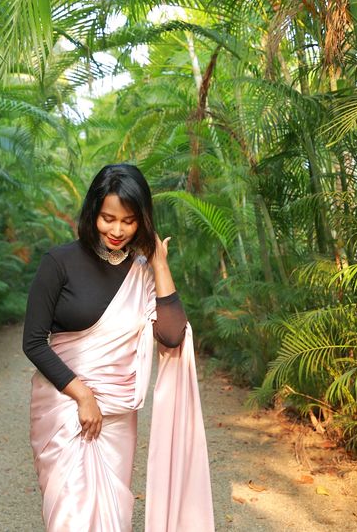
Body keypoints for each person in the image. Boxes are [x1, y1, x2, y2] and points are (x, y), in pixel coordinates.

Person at [22, 164, 214, 532]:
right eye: (108, 218)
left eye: (128, 221)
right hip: (65, 408)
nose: (116, 230)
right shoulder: (59, 263)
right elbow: (33, 342)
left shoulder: (141, 271)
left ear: (142, 221)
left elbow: (172, 336)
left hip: (118, 416)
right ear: (93, 212)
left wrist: (158, 264)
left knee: (112, 516)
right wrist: (83, 395)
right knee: (71, 517)